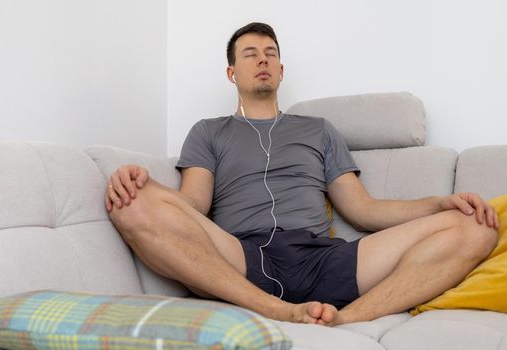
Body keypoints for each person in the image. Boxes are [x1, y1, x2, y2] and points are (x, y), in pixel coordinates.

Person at [104, 22, 499, 326]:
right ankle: (274, 309)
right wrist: (145, 184)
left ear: (281, 69)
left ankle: (347, 318)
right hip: (240, 257)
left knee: (478, 228)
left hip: (322, 258)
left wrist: (439, 203)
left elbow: (363, 211)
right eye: (250, 54)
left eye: (270, 53)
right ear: (231, 73)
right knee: (132, 203)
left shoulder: (319, 130)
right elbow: (192, 206)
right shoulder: (208, 131)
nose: (262, 60)